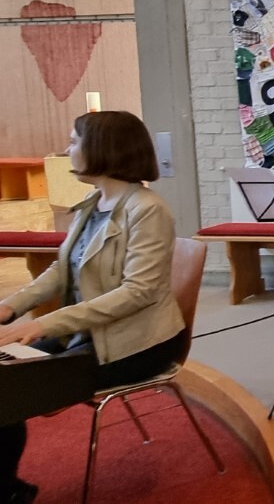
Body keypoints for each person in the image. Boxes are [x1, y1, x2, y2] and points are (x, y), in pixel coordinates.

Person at [0, 111, 185, 504]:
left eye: (73, 141)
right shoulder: (93, 203)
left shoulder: (148, 209)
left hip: (138, 343)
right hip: (86, 334)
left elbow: (137, 292)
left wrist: (44, 324)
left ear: (103, 148)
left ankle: (9, 491)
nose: (67, 149)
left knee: (8, 388)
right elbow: (61, 269)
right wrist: (10, 308)